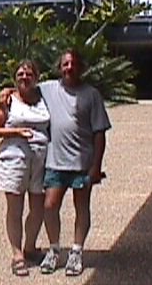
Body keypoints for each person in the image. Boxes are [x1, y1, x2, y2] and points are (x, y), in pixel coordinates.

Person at [36, 49, 111, 276]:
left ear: (81, 68)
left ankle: (76, 251)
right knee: (49, 206)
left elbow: (99, 133)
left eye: (74, 64)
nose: (69, 67)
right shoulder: (47, 89)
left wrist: (96, 166)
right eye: (65, 64)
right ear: (59, 67)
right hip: (56, 162)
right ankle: (54, 248)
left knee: (82, 207)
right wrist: (6, 94)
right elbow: (25, 88)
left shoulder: (91, 95)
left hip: (82, 164)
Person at [0, 59, 50, 277]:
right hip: (14, 159)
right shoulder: (9, 101)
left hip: (41, 161)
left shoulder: (45, 98)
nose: (25, 77)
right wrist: (16, 132)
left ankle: (30, 247)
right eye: (21, 74)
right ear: (15, 77)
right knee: (15, 209)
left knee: (39, 208)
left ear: (37, 77)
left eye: (29, 74)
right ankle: (17, 254)